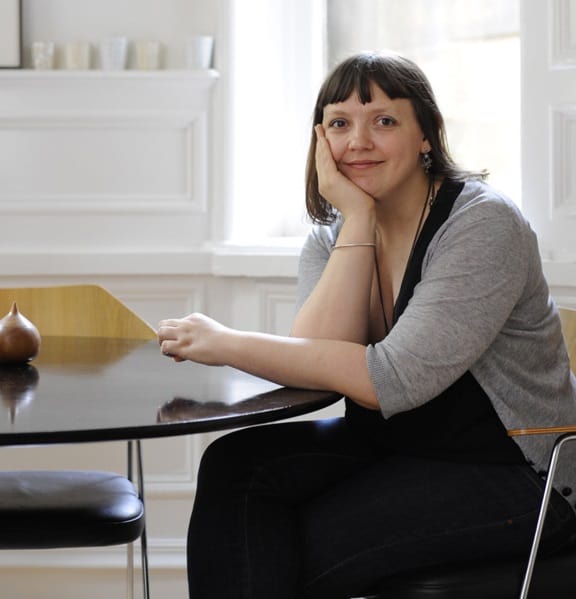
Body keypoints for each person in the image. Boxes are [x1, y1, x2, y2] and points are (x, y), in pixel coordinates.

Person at [157, 52, 576, 599]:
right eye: (339, 124)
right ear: (319, 139)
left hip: (521, 472)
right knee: (236, 467)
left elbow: (389, 381)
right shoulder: (332, 235)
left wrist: (228, 343)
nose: (358, 141)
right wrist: (357, 220)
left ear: (425, 134)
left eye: (384, 121)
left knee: (289, 547)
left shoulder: (482, 224)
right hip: (397, 447)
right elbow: (320, 360)